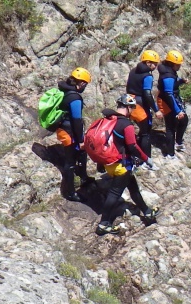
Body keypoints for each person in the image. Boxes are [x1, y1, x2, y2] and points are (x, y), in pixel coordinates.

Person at [96, 94, 159, 235]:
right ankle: (104, 224)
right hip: (121, 165)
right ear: (128, 107)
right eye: (132, 108)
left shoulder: (108, 120)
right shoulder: (126, 124)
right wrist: (146, 158)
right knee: (114, 194)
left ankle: (147, 212)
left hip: (110, 163)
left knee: (133, 188)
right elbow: (132, 146)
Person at [53, 68, 92, 201]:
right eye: (85, 85)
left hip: (62, 128)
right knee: (70, 162)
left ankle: (83, 177)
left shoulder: (63, 90)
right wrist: (81, 139)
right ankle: (70, 193)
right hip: (69, 131)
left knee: (81, 154)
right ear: (81, 83)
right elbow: (76, 120)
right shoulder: (74, 97)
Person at [126, 50, 161, 161]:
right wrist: (156, 110)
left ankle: (136, 154)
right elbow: (147, 94)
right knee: (146, 133)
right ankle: (146, 159)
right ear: (147, 62)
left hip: (129, 102)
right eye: (153, 63)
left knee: (140, 130)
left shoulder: (133, 71)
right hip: (140, 104)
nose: (155, 66)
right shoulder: (147, 76)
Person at [156, 50, 187, 158]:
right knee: (171, 127)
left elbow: (173, 83)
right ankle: (170, 154)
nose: (179, 66)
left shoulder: (169, 71)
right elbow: (169, 94)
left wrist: (181, 81)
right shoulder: (168, 75)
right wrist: (177, 111)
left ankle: (178, 143)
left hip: (171, 98)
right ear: (172, 63)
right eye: (178, 64)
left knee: (184, 120)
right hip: (166, 101)